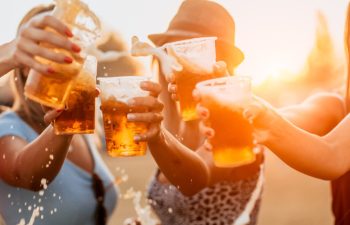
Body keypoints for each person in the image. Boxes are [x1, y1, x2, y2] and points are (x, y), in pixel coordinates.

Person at [0, 4, 163, 225]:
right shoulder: (8, 126)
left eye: (71, 48)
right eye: (52, 48)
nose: (66, 57)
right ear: (26, 64)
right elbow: (27, 175)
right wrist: (65, 125)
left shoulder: (84, 132)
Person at [144, 1, 264, 224]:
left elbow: (192, 181)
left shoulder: (235, 126)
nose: (180, 63)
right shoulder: (179, 127)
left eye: (192, 53)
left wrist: (157, 135)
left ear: (220, 62)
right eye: (174, 52)